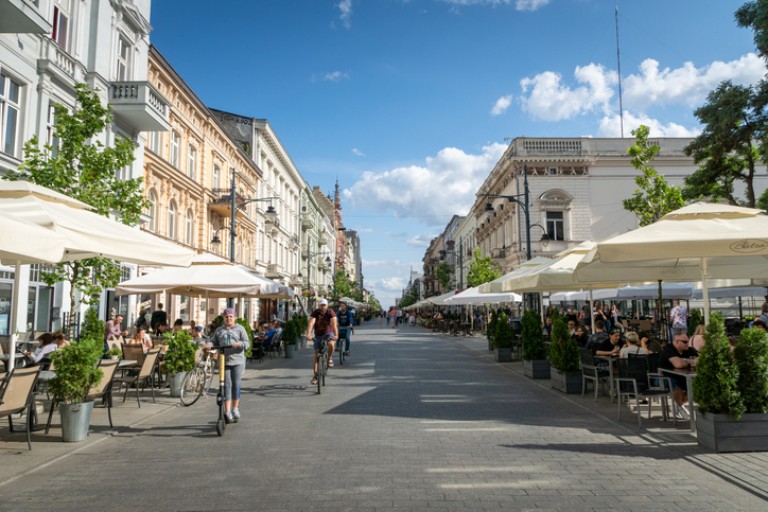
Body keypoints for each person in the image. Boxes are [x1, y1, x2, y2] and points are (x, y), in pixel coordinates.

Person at [207, 308, 249, 424]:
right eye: (226, 317)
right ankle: (227, 411)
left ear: (234, 318)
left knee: (236, 384)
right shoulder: (219, 330)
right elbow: (214, 341)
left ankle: (235, 408)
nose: (228, 318)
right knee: (226, 386)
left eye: (231, 316)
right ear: (223, 318)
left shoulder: (240, 329)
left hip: (237, 361)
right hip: (224, 361)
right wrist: (209, 345)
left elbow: (247, 343)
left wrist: (239, 344)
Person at [659, 332, 698, 420]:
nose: (687, 343)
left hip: (683, 376)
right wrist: (689, 361)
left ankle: (678, 404)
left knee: (697, 387)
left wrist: (684, 360)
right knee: (677, 386)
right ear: (677, 342)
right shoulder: (669, 349)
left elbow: (698, 361)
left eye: (687, 341)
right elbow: (678, 365)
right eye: (684, 342)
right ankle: (680, 406)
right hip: (665, 376)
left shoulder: (689, 349)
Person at [307, 299, 338, 385]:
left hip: (328, 333)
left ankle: (330, 358)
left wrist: (336, 335)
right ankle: (315, 376)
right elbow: (311, 323)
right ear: (319, 305)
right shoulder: (315, 313)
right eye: (321, 305)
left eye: (324, 305)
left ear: (327, 306)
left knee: (331, 343)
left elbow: (334, 324)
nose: (323, 307)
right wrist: (308, 334)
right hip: (318, 335)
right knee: (316, 355)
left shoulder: (330, 312)